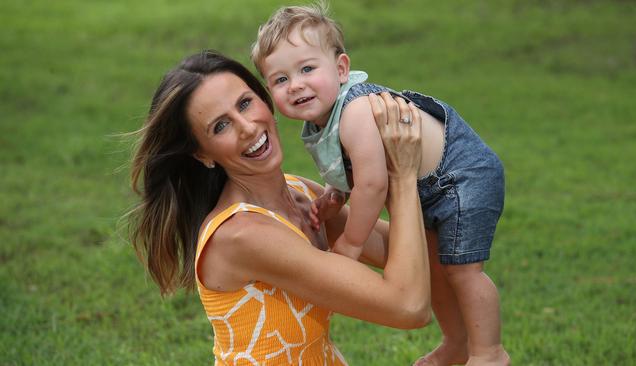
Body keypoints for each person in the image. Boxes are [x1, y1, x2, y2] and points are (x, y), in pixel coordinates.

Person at [128, 50, 431, 365]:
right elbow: (409, 306)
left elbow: (417, 257)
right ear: (202, 154)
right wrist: (403, 177)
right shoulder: (242, 236)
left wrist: (378, 166)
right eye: (220, 126)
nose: (246, 127)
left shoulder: (298, 193)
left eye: (245, 103)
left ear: (265, 100)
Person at [251, 3, 510, 365]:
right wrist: (335, 195)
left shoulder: (355, 112)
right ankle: (456, 342)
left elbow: (373, 185)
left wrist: (352, 244)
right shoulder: (320, 123)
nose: (296, 85)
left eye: (307, 68)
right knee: (435, 268)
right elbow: (357, 170)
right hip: (428, 189)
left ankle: (489, 352)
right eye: (281, 79)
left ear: (341, 69)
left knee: (462, 271)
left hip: (461, 178)